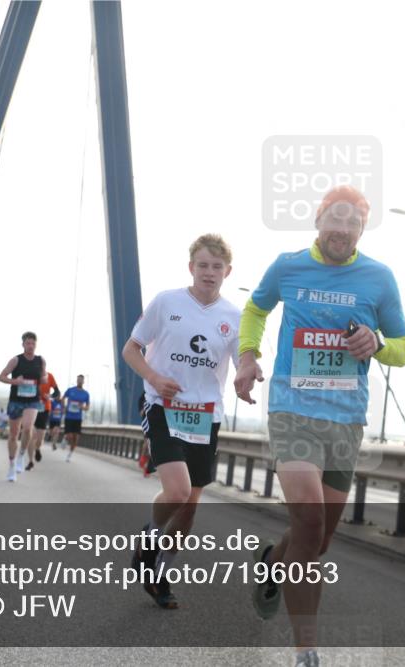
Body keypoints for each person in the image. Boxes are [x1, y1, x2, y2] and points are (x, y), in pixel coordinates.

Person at [234, 186, 405, 667]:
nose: (343, 230)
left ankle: (273, 563)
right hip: (292, 411)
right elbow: (255, 308)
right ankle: (305, 649)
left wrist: (377, 342)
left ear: (361, 229)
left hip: (346, 420)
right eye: (335, 220)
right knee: (308, 518)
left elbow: (404, 347)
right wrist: (248, 358)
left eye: (353, 222)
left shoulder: (379, 279)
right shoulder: (288, 266)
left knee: (318, 540)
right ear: (318, 222)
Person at [122, 234, 240, 609]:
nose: (209, 273)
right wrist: (155, 379)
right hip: (162, 407)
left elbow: (243, 363)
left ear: (227, 272)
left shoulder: (235, 317)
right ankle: (150, 539)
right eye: (203, 265)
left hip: (206, 417)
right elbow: (131, 349)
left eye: (216, 267)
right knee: (176, 493)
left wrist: (247, 376)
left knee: (189, 507)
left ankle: (161, 574)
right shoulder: (166, 302)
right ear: (191, 267)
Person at [0, 332, 47, 482]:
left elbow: (44, 377)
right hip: (16, 401)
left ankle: (21, 455)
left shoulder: (41, 360)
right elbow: (1, 377)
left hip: (32, 400)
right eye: (28, 343)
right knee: (13, 435)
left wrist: (43, 379)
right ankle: (12, 465)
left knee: (27, 427)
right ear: (23, 344)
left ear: (36, 345)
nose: (30, 346)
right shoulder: (16, 360)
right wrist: (15, 382)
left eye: (33, 343)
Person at [29, 370, 60, 467]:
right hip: (31, 407)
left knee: (40, 437)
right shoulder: (31, 374)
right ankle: (31, 461)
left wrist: (50, 396)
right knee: (32, 435)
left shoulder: (50, 376)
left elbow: (57, 392)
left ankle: (37, 449)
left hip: (45, 409)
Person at [61, 375, 90, 462]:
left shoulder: (86, 394)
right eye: (78, 380)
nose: (80, 381)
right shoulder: (71, 390)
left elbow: (87, 407)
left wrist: (82, 407)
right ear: (77, 381)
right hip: (69, 416)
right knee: (70, 436)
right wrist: (64, 407)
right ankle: (65, 438)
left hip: (78, 418)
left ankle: (70, 454)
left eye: (81, 380)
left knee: (76, 438)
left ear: (83, 382)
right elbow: (63, 398)